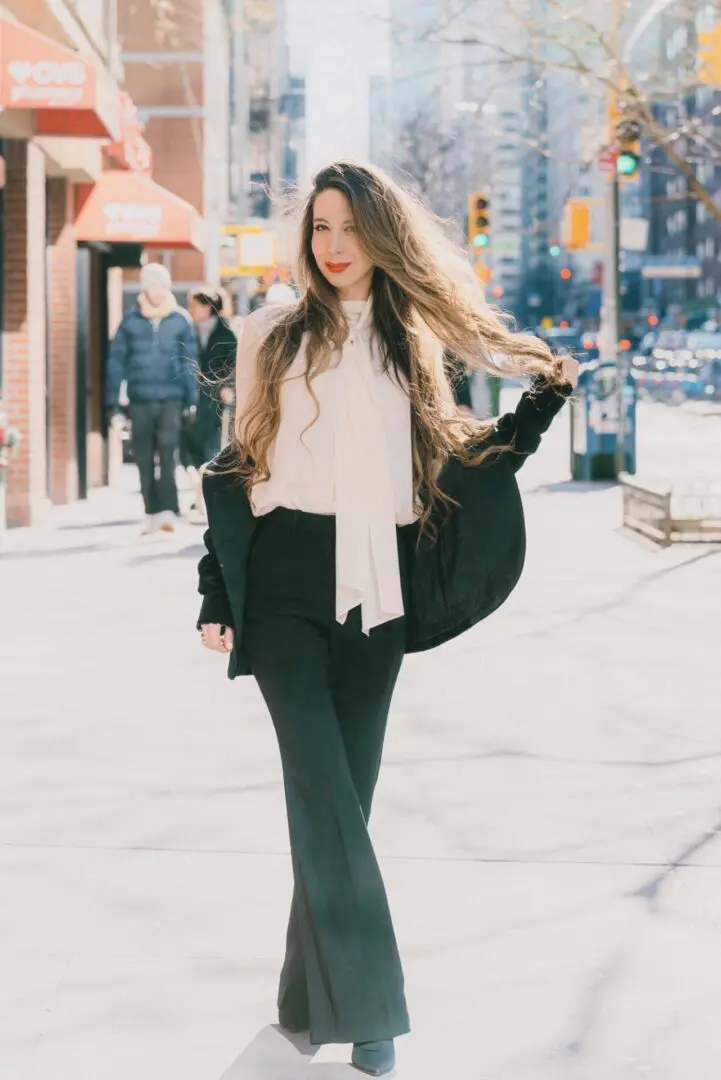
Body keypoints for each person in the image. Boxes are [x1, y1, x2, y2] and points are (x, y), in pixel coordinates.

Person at [195, 161, 579, 1075]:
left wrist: (538, 403)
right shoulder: (269, 336)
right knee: (322, 787)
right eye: (319, 229)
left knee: (344, 798)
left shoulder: (414, 338)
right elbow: (236, 467)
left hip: (379, 584)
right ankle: (372, 1015)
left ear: (381, 235)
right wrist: (217, 591)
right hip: (286, 582)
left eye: (349, 229)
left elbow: (456, 454)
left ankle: (304, 994)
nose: (332, 247)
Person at [107, 263, 198, 534]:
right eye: (152, 287)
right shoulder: (131, 321)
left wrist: (191, 399)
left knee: (169, 455)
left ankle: (169, 511)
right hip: (140, 399)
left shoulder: (180, 321)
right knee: (144, 458)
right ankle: (150, 511)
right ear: (145, 289)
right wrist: (112, 402)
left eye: (161, 286)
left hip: (171, 399)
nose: (156, 292)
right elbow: (116, 362)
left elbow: (189, 362)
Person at [184, 286, 237, 523]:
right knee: (191, 447)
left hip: (216, 399)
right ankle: (201, 495)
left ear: (207, 307)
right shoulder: (188, 331)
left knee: (213, 448)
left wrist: (230, 389)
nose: (191, 310)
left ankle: (209, 498)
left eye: (195, 305)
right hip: (193, 398)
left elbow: (235, 363)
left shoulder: (226, 333)